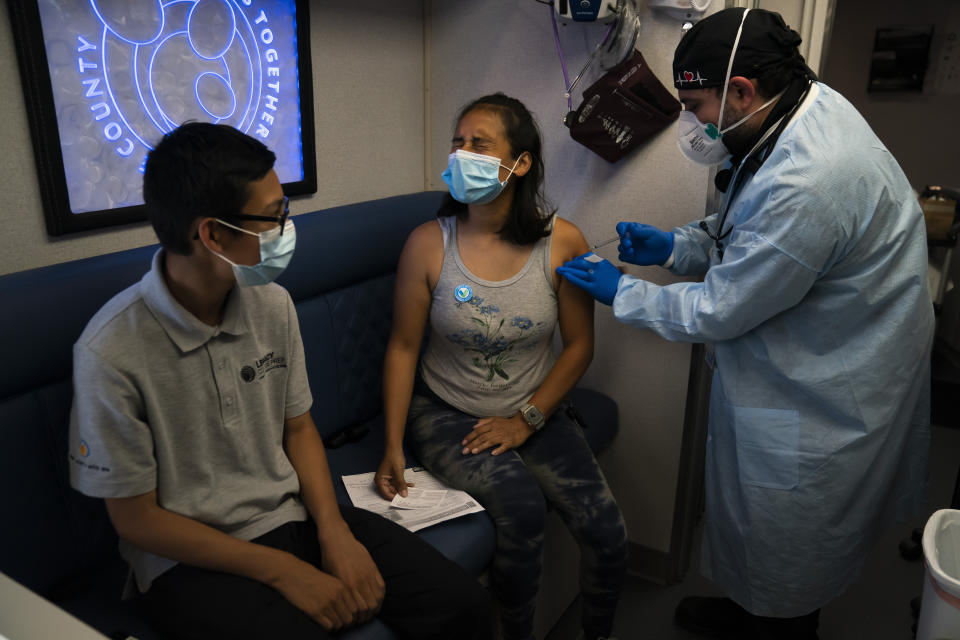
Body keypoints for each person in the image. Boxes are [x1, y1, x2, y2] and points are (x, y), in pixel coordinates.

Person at [558, 8, 933, 640]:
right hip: (802, 354)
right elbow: (748, 232)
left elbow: (722, 307)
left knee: (790, 532)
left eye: (696, 105)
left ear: (741, 92)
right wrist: (676, 246)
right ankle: (750, 608)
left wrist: (624, 292)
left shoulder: (810, 179)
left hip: (827, 389)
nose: (695, 121)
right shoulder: (795, 112)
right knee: (758, 521)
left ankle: (780, 626)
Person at [68, 122, 494, 640]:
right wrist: (286, 572)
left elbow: (299, 430)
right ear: (212, 234)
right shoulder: (110, 351)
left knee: (463, 605)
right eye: (273, 217)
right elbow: (137, 522)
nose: (286, 228)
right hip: (186, 562)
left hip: (291, 517)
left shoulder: (271, 303)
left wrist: (333, 531)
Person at [375, 93, 628, 640]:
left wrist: (526, 420)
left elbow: (580, 346)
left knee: (607, 533)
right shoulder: (427, 245)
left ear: (520, 164)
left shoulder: (563, 243)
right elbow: (401, 348)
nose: (462, 152)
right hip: (446, 413)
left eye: (479, 144)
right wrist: (392, 445)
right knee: (520, 510)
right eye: (458, 142)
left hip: (535, 412)